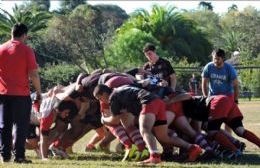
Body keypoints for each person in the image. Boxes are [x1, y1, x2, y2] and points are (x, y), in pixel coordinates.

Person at [94, 84, 203, 164]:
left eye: (100, 98)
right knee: (163, 137)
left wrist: (103, 119)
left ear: (104, 93)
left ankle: (154, 156)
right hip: (158, 102)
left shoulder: (113, 97)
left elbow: (115, 121)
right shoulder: (121, 89)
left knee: (145, 129)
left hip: (148, 103)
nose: (102, 101)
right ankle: (193, 148)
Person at [0, 23, 42, 163]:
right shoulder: (26, 50)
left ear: (11, 33)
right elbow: (33, 74)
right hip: (21, 95)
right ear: (24, 35)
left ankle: (5, 155)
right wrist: (39, 92)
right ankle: (19, 156)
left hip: (3, 94)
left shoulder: (1, 49)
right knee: (21, 125)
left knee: (5, 125)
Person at [201, 48, 239, 133]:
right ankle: (214, 141)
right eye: (214, 58)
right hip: (213, 97)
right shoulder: (208, 67)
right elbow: (204, 84)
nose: (215, 61)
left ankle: (229, 140)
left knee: (228, 121)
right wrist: (206, 97)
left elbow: (236, 85)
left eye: (217, 59)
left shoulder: (229, 69)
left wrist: (235, 100)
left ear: (223, 59)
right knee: (211, 121)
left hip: (227, 96)